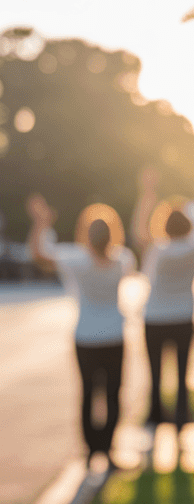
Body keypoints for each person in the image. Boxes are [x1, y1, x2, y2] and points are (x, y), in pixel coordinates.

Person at [27, 195, 136, 468]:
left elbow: (39, 254)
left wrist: (41, 223)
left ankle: (91, 451)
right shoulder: (123, 259)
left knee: (88, 393)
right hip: (114, 336)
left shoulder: (75, 259)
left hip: (86, 337)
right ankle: (108, 449)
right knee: (112, 394)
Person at [132, 170, 194, 431]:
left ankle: (154, 416)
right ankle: (181, 418)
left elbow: (139, 231)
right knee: (181, 373)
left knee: (155, 373)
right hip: (184, 317)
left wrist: (148, 194)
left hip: (154, 317)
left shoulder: (158, 249)